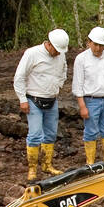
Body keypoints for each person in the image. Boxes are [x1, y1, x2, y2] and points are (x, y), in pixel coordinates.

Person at [14, 28, 70, 180]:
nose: (58, 53)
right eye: (56, 50)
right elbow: (19, 77)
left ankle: (47, 164)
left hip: (52, 100)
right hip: (34, 100)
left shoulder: (61, 55)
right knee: (34, 135)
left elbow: (64, 70)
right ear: (49, 44)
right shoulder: (32, 54)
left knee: (51, 134)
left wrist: (58, 85)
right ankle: (32, 169)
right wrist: (22, 99)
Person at [72, 26, 104, 164]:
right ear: (89, 42)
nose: (98, 48)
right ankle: (90, 163)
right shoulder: (81, 59)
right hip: (91, 100)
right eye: (96, 44)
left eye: (101, 45)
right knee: (91, 132)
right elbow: (78, 84)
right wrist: (82, 106)